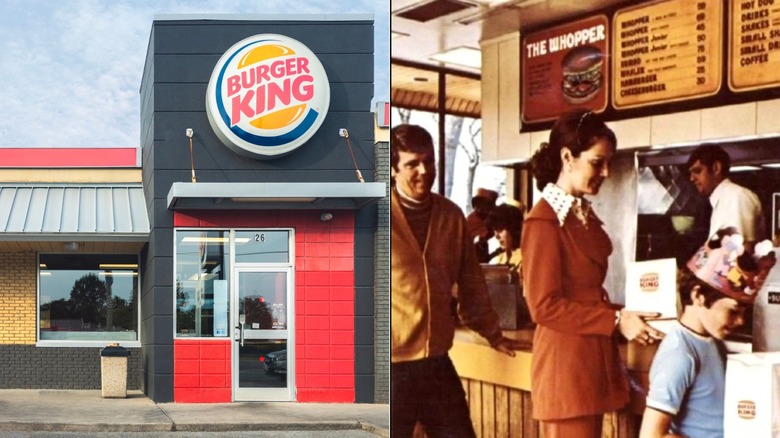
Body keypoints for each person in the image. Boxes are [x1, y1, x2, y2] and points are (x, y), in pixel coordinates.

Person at [521, 108, 665, 438]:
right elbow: (544, 307)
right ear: (568, 157)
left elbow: (585, 294)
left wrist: (624, 314)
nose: (605, 172)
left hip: (587, 364)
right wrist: (615, 321)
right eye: (597, 162)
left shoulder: (580, 214)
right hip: (566, 369)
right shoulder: (543, 222)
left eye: (608, 163)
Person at [390, 124, 525, 438]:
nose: (425, 170)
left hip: (436, 363)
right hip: (389, 368)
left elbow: (471, 285)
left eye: (430, 161)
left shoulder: (451, 217)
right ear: (393, 170)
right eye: (412, 164)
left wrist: (494, 334)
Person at [639, 228, 776, 438]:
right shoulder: (679, 354)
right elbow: (651, 435)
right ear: (699, 296)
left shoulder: (712, 340)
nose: (740, 321)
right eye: (732, 311)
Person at [686, 144, 765, 245]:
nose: (692, 178)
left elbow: (740, 250)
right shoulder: (722, 199)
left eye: (697, 171)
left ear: (716, 168)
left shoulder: (735, 197)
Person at [486, 203, 524, 272]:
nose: (496, 236)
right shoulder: (498, 260)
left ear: (513, 228)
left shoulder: (526, 259)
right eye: (494, 230)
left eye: (500, 229)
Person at [466, 187, 498, 263]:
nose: (479, 208)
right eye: (477, 204)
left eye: (484, 205)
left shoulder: (495, 220)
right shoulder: (469, 220)